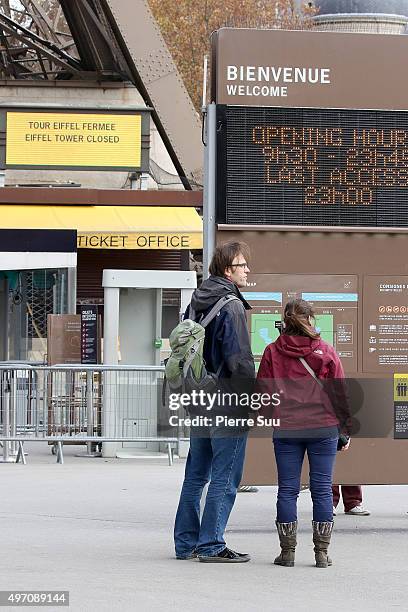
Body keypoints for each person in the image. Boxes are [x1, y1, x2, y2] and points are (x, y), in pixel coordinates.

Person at [174, 241, 255, 563]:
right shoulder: (231, 305)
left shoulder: (197, 301)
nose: (248, 270)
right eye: (242, 265)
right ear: (227, 270)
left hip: (198, 397)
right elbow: (239, 360)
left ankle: (185, 544)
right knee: (226, 475)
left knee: (196, 475)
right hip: (226, 400)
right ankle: (211, 544)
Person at [256, 298, 352, 568]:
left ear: (285, 322)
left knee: (287, 490)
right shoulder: (325, 350)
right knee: (322, 490)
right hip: (323, 428)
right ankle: (321, 554)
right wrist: (344, 430)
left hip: (287, 429)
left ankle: (287, 553)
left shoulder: (272, 352)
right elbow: (340, 393)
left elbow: (263, 393)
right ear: (310, 321)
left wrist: (271, 418)